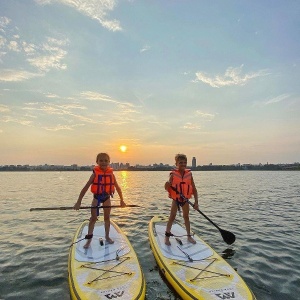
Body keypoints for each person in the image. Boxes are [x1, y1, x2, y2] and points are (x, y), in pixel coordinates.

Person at [74, 152, 126, 248]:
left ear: (109, 162)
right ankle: (89, 240)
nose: (103, 162)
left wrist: (122, 200)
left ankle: (107, 236)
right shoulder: (94, 175)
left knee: (107, 218)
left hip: (107, 198)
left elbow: (118, 188)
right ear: (97, 162)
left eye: (106, 160)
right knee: (93, 219)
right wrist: (78, 202)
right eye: (101, 160)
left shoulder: (112, 175)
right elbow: (85, 188)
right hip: (96, 198)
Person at [164, 153, 199, 246]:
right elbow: (166, 187)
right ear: (176, 164)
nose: (183, 164)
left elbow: (194, 189)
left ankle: (189, 236)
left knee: (186, 217)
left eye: (184, 162)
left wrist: (196, 202)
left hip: (185, 200)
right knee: (172, 217)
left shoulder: (189, 175)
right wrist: (167, 184)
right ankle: (167, 237)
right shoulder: (173, 175)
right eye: (180, 162)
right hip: (176, 199)